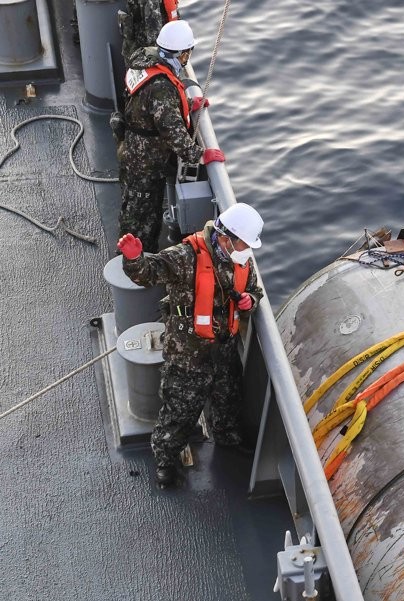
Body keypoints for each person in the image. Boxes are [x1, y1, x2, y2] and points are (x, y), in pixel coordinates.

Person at [117, 202, 265, 488]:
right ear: (225, 236)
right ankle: (165, 458)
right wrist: (134, 259)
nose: (246, 250)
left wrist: (251, 300)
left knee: (227, 398)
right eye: (244, 243)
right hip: (187, 353)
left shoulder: (241, 259)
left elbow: (253, 290)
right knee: (179, 409)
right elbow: (148, 273)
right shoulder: (185, 257)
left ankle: (228, 438)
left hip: (223, 348)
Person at [119, 20, 225, 254]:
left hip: (134, 149)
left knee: (135, 207)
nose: (186, 60)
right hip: (145, 161)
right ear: (181, 54)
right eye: (186, 54)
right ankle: (134, 262)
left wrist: (186, 104)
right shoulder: (161, 87)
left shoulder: (145, 63)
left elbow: (150, 108)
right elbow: (173, 132)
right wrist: (201, 155)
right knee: (142, 217)